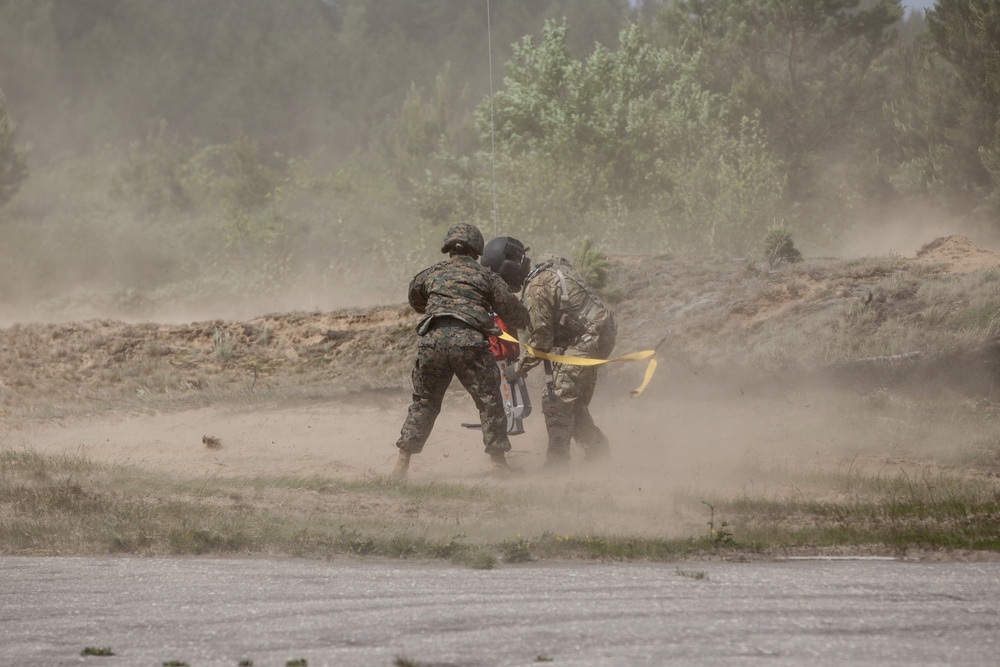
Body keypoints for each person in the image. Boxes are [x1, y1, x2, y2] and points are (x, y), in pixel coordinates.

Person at [393, 223, 530, 478]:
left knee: (424, 402)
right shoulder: (487, 276)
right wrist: (529, 319)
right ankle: (499, 465)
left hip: (431, 341)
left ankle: (402, 463)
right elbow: (511, 309)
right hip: (470, 343)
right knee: (489, 400)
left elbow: (416, 300)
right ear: (477, 250)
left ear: (448, 249)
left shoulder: (430, 273)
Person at [515, 254, 617, 467]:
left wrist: (519, 368)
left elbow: (542, 339)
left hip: (586, 340)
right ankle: (598, 451)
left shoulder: (537, 285)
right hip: (598, 336)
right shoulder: (555, 273)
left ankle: (557, 462)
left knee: (557, 399)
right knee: (572, 401)